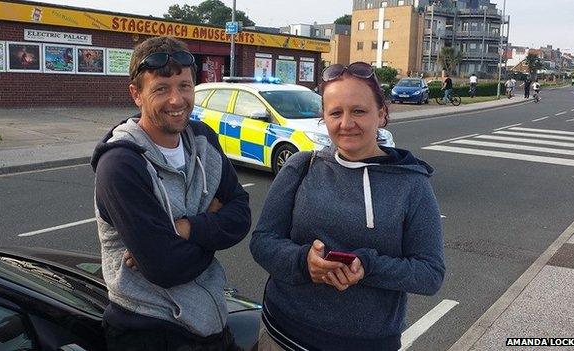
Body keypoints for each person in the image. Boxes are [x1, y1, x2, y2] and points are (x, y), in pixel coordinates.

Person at [250, 61, 445, 351]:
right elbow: (262, 242)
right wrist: (304, 262)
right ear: (324, 117)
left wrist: (367, 266)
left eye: (359, 111)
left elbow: (430, 274)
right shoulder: (302, 166)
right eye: (335, 113)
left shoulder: (412, 184)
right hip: (282, 336)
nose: (346, 124)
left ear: (381, 114)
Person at [91, 36, 251, 350]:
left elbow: (242, 213)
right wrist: (213, 226)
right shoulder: (121, 164)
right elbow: (165, 268)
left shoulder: (203, 139)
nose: (177, 100)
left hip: (211, 322)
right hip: (149, 330)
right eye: (161, 88)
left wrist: (189, 229)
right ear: (136, 94)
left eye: (185, 86)